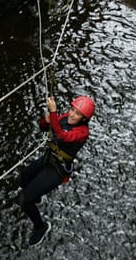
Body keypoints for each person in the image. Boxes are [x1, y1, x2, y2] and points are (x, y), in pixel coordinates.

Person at [17, 94, 95, 247]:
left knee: (24, 200)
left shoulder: (82, 132)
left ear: (84, 119)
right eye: (72, 110)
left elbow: (61, 135)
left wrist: (53, 113)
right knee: (21, 179)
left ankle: (41, 227)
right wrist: (46, 121)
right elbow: (44, 127)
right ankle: (35, 196)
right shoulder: (66, 117)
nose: (72, 115)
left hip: (57, 170)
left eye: (77, 114)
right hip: (49, 158)